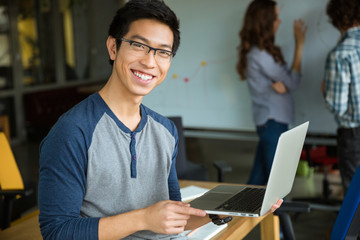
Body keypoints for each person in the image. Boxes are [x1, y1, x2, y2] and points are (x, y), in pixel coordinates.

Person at [38, 0, 283, 239]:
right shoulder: (72, 131)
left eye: (163, 52)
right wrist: (143, 218)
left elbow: (172, 220)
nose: (150, 62)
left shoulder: (165, 130)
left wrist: (229, 210)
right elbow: (57, 231)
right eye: (138, 45)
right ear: (113, 47)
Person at [236, 0, 307, 185]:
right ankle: (278, 216)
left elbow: (288, 84)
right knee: (277, 185)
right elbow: (292, 81)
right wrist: (299, 46)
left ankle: (241, 213)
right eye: (276, 17)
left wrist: (286, 85)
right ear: (265, 21)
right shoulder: (260, 55)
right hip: (272, 124)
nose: (280, 21)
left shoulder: (262, 53)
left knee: (258, 182)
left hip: (272, 124)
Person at [322, 0, 360, 194]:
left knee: (355, 199)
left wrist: (324, 89)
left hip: (353, 134)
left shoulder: (340, 53)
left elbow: (338, 106)